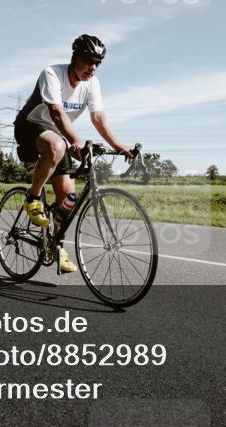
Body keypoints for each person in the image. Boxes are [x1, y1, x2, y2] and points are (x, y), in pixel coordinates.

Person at [13, 34, 135, 274]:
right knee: (57, 146)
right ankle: (33, 198)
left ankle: (55, 246)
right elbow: (56, 113)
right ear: (75, 57)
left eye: (98, 63)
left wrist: (118, 145)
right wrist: (76, 141)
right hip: (30, 127)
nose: (93, 68)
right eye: (89, 61)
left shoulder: (92, 83)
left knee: (67, 200)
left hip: (58, 134)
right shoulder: (52, 73)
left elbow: (97, 117)